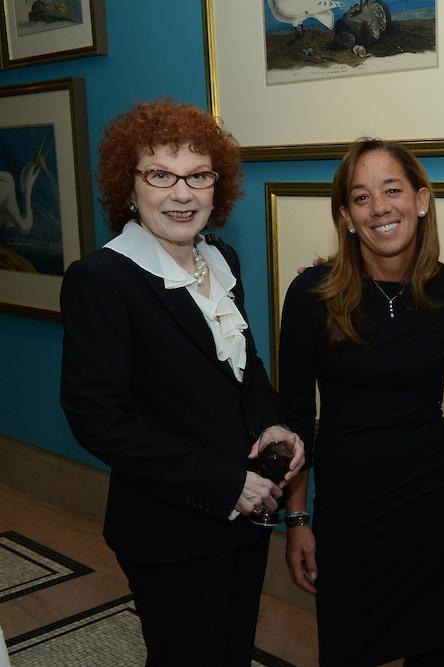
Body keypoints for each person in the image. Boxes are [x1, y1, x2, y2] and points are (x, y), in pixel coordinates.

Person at [60, 99, 305, 665]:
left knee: (231, 651)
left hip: (245, 516)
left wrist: (273, 423)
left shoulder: (221, 260)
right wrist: (224, 483)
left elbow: (245, 370)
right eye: (160, 175)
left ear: (217, 187)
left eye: (198, 175)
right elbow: (97, 419)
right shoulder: (101, 280)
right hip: (168, 529)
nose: (182, 193)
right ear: (129, 188)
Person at [279, 139, 444, 666]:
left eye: (392, 190)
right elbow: (293, 418)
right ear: (346, 216)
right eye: (361, 197)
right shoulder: (312, 294)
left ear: (421, 200)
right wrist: (297, 520)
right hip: (347, 508)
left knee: (433, 652)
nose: (380, 207)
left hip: (432, 502)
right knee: (346, 648)